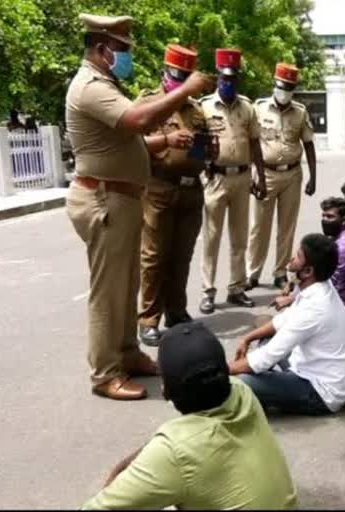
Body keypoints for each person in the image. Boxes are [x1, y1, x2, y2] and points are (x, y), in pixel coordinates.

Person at [65, 14, 211, 400]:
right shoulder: (91, 87)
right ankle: (104, 373)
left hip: (120, 196)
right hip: (103, 199)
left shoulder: (107, 84)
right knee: (109, 291)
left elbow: (129, 143)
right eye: (122, 49)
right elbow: (139, 119)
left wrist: (165, 142)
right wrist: (188, 88)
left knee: (127, 284)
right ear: (101, 49)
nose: (127, 56)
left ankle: (128, 353)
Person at [82, 322, 298, 509]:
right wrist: (130, 464)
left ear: (165, 390)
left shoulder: (176, 452)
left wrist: (120, 476)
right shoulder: (243, 392)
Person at [136, 44, 212, 345]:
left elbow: (202, 149)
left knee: (182, 255)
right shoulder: (149, 102)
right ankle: (148, 319)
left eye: (185, 77)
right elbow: (133, 141)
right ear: (164, 73)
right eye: (176, 76)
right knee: (154, 257)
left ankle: (176, 312)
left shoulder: (195, 110)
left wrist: (207, 150)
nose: (181, 83)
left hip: (191, 189)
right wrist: (166, 139)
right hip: (159, 187)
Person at [230, 234, 345, 415]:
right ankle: (267, 388)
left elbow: (267, 356)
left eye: (297, 256)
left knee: (241, 380)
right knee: (265, 333)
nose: (291, 260)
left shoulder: (315, 307)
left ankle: (263, 391)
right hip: (307, 367)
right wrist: (247, 338)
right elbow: (282, 321)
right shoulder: (316, 287)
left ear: (307, 271)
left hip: (321, 393)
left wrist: (220, 370)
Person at [198, 48, 265, 315]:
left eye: (233, 79)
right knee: (211, 239)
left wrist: (260, 177)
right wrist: (201, 172)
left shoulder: (247, 108)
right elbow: (197, 146)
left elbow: (255, 144)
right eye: (225, 79)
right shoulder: (204, 106)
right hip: (215, 178)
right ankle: (207, 292)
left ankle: (236, 288)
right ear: (217, 78)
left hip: (242, 178)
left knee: (239, 239)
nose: (229, 83)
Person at [247, 63, 317, 291]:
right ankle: (252, 273)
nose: (284, 91)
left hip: (292, 175)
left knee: (286, 227)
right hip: (265, 173)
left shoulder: (300, 112)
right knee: (259, 227)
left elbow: (308, 145)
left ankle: (280, 272)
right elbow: (252, 143)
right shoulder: (259, 108)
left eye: (289, 87)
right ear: (274, 85)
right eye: (281, 86)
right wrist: (253, 176)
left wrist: (313, 177)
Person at [276, 198, 345, 328]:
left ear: (344, 219)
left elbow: (327, 286)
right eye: (323, 216)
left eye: (330, 217)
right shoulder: (340, 237)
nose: (325, 220)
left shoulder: (344, 248)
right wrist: (293, 281)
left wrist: (291, 300)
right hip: (343, 303)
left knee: (299, 319)